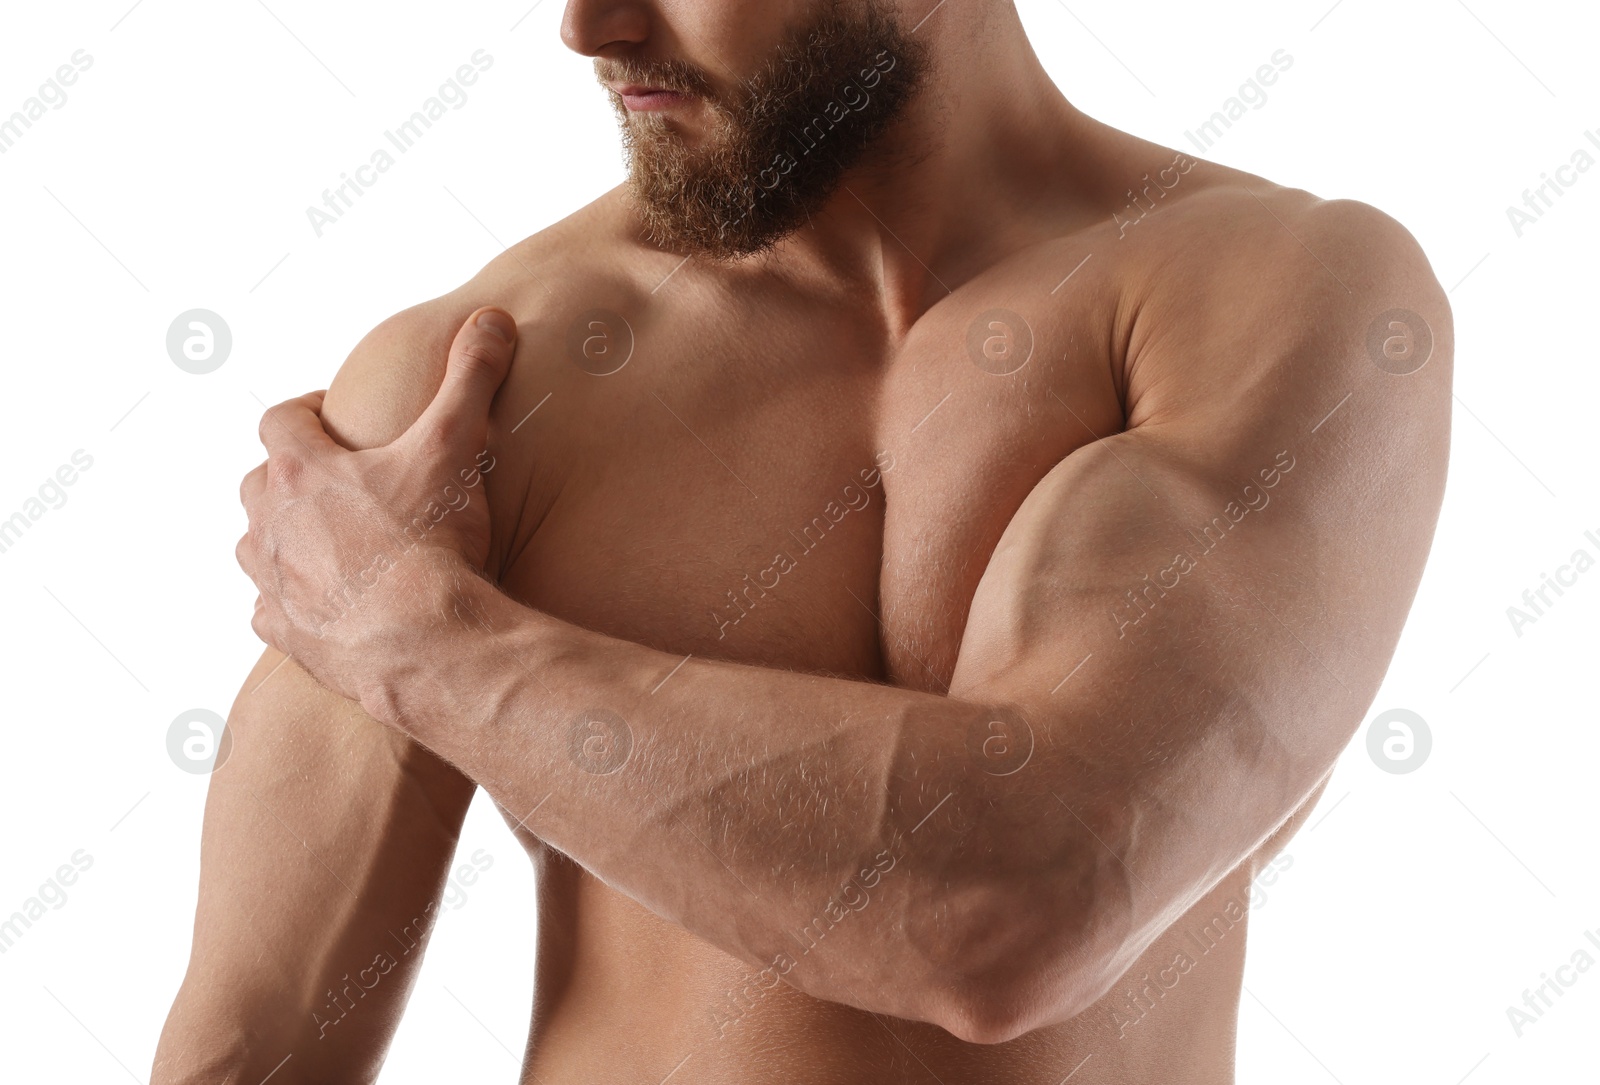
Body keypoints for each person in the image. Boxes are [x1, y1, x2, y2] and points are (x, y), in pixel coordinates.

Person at [155, 1, 1452, 1081]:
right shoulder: (477, 391)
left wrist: (418, 639)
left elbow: (1029, 898)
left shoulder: (1279, 297)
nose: (590, 25)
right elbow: (250, 1050)